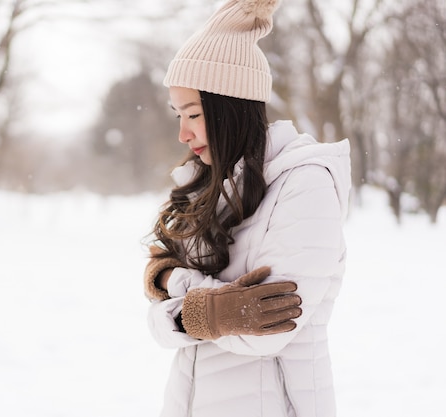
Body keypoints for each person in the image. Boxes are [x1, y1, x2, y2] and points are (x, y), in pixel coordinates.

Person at [142, 1, 352, 416]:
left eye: (194, 114)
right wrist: (210, 311)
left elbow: (269, 329)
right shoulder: (208, 185)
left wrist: (177, 290)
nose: (183, 133)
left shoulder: (305, 184)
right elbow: (158, 324)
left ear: (229, 106)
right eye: (178, 115)